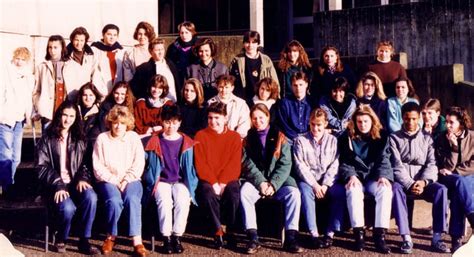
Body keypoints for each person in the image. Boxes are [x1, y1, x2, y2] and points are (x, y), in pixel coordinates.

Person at [36, 101, 98, 254]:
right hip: (54, 185)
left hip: (74, 182)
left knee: (91, 197)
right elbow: (42, 166)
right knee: (68, 208)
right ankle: (61, 237)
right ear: (59, 115)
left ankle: (84, 240)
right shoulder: (47, 138)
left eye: (72, 116)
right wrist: (58, 184)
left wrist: (83, 177)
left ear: (76, 118)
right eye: (65, 115)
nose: (67, 119)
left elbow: (85, 163)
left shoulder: (80, 138)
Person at [240, 104, 302, 254]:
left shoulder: (280, 137)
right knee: (244, 193)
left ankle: (291, 237)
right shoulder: (248, 139)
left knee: (294, 194)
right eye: (254, 118)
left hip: (279, 181)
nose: (258, 121)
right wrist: (261, 182)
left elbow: (285, 164)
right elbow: (247, 163)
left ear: (268, 117)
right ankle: (253, 237)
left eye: (261, 117)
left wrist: (273, 184)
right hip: (258, 181)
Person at [390, 102, 449, 254]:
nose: (410, 122)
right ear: (402, 118)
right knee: (395, 189)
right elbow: (396, 165)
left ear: (419, 119)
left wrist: (423, 182)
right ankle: (406, 238)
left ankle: (437, 237)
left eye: (414, 119)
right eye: (407, 118)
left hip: (423, 182)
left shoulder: (427, 139)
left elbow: (432, 164)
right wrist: (410, 184)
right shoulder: (394, 138)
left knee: (441, 190)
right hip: (404, 182)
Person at [142, 105, 198, 254]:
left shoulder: (187, 142)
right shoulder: (154, 141)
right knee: (165, 201)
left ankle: (177, 236)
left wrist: (191, 184)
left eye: (174, 122)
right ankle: (166, 237)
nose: (170, 126)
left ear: (179, 122)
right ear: (162, 122)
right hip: (161, 180)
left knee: (182, 200)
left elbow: (191, 168)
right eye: (167, 122)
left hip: (180, 181)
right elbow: (145, 162)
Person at [93, 105, 147, 256]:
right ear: (110, 122)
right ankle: (111, 236)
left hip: (131, 179)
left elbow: (139, 163)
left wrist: (126, 179)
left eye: (122, 123)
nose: (118, 126)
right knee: (114, 200)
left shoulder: (133, 137)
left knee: (132, 198)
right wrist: (114, 181)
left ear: (127, 124)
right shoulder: (102, 139)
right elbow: (98, 167)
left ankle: (137, 241)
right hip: (108, 180)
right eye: (115, 122)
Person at [338, 105, 393, 254]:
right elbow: (343, 161)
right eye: (359, 122)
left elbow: (384, 159)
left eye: (366, 121)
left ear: (372, 121)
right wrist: (351, 175)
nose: (362, 125)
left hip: (373, 177)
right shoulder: (346, 137)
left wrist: (383, 175)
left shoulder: (382, 136)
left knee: (385, 190)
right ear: (355, 122)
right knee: (353, 190)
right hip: (356, 176)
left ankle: (379, 235)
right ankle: (359, 234)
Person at [293, 108, 343, 249]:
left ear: (325, 124)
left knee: (339, 192)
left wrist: (326, 185)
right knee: (305, 191)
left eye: (319, 125)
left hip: (327, 180)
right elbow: (300, 165)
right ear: (309, 123)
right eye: (313, 124)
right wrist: (315, 185)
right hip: (309, 180)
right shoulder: (300, 140)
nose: (316, 128)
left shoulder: (333, 141)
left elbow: (335, 164)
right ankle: (313, 233)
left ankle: (330, 233)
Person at [194, 102, 242, 249]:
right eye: (210, 118)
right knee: (208, 194)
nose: (213, 121)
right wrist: (214, 182)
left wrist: (222, 182)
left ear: (225, 118)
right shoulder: (201, 135)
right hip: (208, 178)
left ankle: (230, 228)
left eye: (217, 118)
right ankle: (218, 230)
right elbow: (200, 163)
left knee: (233, 195)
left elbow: (234, 164)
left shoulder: (234, 137)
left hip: (228, 178)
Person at [435, 106, 474, 252]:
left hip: (468, 177)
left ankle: (456, 239)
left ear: (461, 124)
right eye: (447, 122)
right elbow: (446, 166)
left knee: (460, 188)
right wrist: (454, 148)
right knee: (458, 182)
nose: (448, 125)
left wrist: (457, 171)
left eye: (452, 122)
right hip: (447, 178)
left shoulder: (472, 137)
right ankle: (472, 216)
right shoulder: (441, 139)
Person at [0, 47, 34, 190]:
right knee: (5, 153)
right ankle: (6, 186)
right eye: (17, 59)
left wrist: (29, 115)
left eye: (23, 59)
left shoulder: (28, 76)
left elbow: (28, 98)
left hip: (19, 120)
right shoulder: (5, 72)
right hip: (6, 118)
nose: (19, 62)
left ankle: (10, 182)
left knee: (16, 156)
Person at [229, 30, 279, 102]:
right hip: (243, 100)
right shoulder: (237, 60)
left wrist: (275, 99)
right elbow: (231, 82)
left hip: (262, 100)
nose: (250, 45)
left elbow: (275, 82)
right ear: (243, 43)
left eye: (253, 42)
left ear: (258, 44)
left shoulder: (266, 60)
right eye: (247, 42)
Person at [33, 35, 69, 129]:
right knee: (47, 141)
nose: (52, 50)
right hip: (47, 113)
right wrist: (39, 107)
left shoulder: (69, 66)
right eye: (50, 47)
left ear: (62, 48)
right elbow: (36, 90)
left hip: (65, 113)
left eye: (55, 47)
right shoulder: (42, 67)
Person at [207, 74, 250, 139]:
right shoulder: (210, 103)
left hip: (235, 139)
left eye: (226, 87)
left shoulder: (241, 103)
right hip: (214, 138)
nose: (224, 90)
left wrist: (234, 137)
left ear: (232, 88)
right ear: (217, 87)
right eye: (221, 87)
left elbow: (245, 123)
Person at [276, 71, 314, 144]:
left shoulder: (312, 102)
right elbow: (284, 124)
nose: (298, 88)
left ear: (306, 84)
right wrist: (296, 137)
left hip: (310, 137)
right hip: (290, 138)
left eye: (301, 85)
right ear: (291, 86)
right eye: (295, 85)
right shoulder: (285, 103)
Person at [63, 27, 97, 101]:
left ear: (85, 41)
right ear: (72, 40)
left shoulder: (90, 55)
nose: (79, 43)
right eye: (76, 40)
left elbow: (95, 74)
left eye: (82, 40)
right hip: (69, 95)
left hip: (85, 95)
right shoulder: (65, 56)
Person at [91, 24, 125, 96]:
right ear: (103, 35)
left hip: (116, 91)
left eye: (115, 35)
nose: (112, 37)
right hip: (100, 89)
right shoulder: (95, 49)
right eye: (109, 34)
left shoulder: (121, 51)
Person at [76, 82, 102, 148]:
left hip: (91, 147)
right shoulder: (75, 110)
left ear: (95, 96)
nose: (88, 98)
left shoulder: (100, 112)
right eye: (85, 95)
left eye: (91, 95)